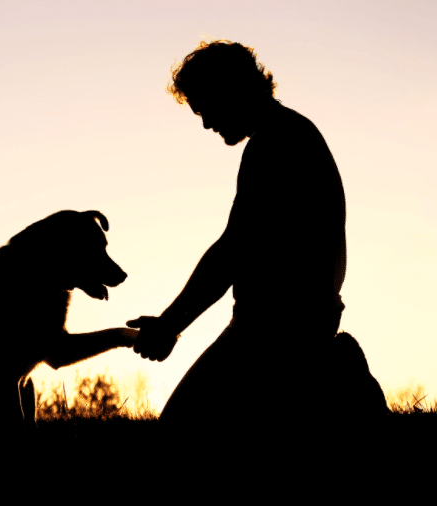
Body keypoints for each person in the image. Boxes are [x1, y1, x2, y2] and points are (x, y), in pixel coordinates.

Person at [127, 40, 347, 436]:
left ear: (230, 90)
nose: (206, 123)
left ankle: (343, 382)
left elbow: (233, 249)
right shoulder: (293, 132)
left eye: (205, 107)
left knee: (178, 433)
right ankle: (336, 380)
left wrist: (170, 324)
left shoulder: (276, 143)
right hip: (297, 324)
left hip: (273, 334)